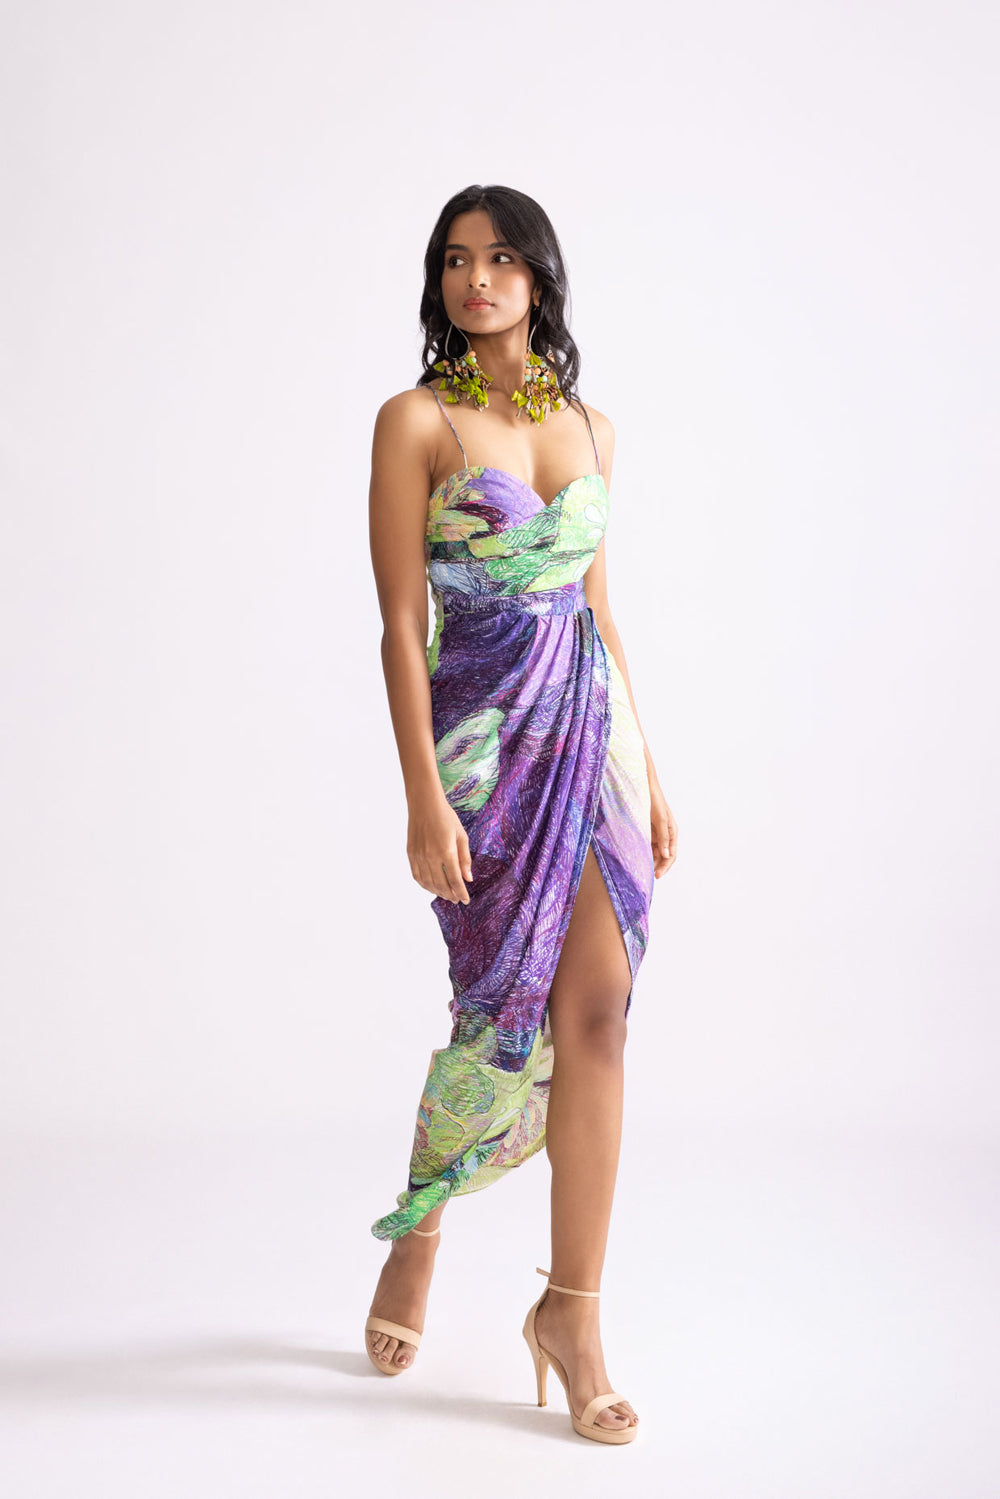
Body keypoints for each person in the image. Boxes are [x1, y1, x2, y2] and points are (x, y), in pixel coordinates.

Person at [364, 184, 677, 1444]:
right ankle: (421, 1224)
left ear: (539, 277)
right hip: (484, 747)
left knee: (597, 1015)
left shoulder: (594, 429)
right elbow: (400, 622)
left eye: (500, 258)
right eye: (455, 259)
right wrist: (419, 793)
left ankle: (573, 1312)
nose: (476, 278)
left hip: (593, 741)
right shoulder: (415, 420)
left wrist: (651, 767)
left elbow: (599, 611)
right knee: (496, 1010)